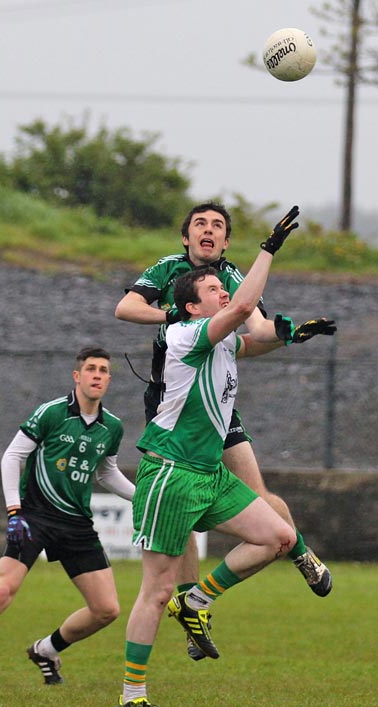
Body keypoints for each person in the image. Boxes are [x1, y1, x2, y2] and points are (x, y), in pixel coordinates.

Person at [115, 202, 335, 662]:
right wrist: (177, 317)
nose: (209, 230)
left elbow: (252, 331)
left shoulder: (232, 277)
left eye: (218, 225)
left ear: (227, 241)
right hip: (174, 402)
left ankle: (297, 552)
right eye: (200, 224)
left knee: (259, 495)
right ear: (186, 237)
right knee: (184, 521)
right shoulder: (169, 271)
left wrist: (289, 334)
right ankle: (195, 613)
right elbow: (126, 307)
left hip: (217, 402)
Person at [0, 347, 135, 687]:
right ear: (77, 376)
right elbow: (12, 457)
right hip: (34, 516)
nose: (97, 375)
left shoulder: (112, 427)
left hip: (77, 524)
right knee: (2, 591)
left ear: (108, 379)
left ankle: (46, 649)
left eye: (104, 370)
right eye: (90, 369)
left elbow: (107, 474)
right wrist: (14, 511)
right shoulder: (52, 413)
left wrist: (143, 498)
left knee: (107, 610)